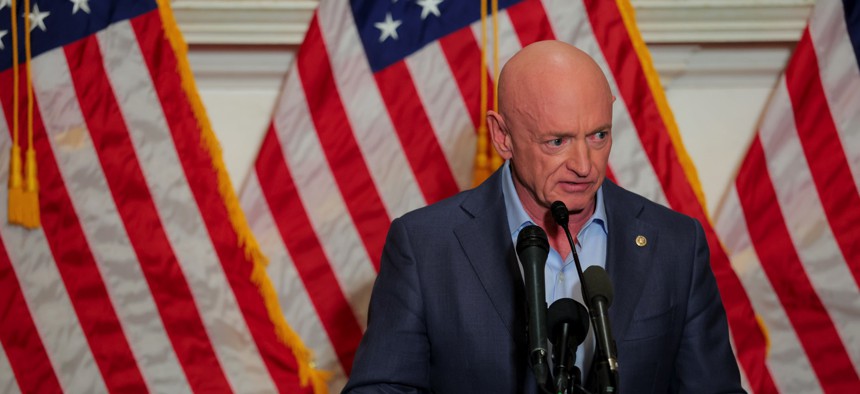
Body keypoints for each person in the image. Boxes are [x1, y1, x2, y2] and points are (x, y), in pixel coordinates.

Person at [343, 40, 744, 393]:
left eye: (598, 135)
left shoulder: (676, 244)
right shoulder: (425, 246)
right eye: (557, 141)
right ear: (503, 137)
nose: (584, 165)